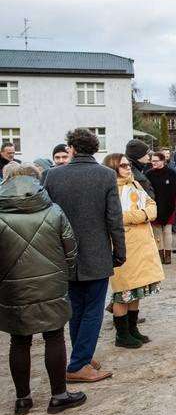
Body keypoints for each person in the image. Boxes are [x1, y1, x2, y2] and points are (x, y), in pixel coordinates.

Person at [0, 162, 86, 415]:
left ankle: (23, 399)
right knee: (54, 336)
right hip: (51, 281)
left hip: (12, 285)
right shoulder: (53, 210)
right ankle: (59, 395)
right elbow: (70, 247)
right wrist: (65, 274)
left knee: (19, 340)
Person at [43, 127, 126, 383]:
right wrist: (119, 251)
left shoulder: (52, 176)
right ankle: (78, 363)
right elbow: (114, 218)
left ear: (72, 149)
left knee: (77, 308)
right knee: (91, 310)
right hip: (96, 252)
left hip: (62, 253)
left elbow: (46, 216)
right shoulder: (104, 176)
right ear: (95, 149)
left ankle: (82, 355)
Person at [102, 154, 165, 348]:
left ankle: (132, 328)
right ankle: (122, 334)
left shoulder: (135, 185)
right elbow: (115, 216)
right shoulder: (109, 190)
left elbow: (152, 207)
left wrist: (142, 214)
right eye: (123, 166)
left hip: (142, 246)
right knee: (124, 290)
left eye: (128, 164)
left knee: (137, 289)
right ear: (113, 168)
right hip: (124, 247)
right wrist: (141, 216)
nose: (128, 168)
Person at [145, 152, 176, 265]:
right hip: (154, 206)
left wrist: (174, 204)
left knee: (167, 231)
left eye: (156, 161)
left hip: (169, 206)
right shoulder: (148, 174)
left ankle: (168, 255)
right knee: (157, 232)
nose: (154, 163)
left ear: (163, 161)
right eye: (152, 161)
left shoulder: (171, 173)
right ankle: (159, 254)